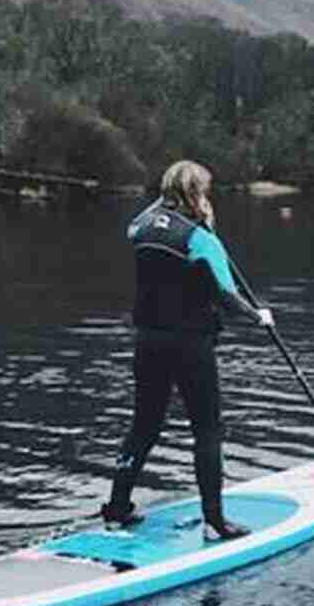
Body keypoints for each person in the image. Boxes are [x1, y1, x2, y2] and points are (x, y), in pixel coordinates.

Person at [102, 159, 274, 541]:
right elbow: (227, 295)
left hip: (147, 342)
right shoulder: (201, 240)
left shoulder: (139, 228)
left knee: (143, 426)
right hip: (190, 346)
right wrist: (259, 317)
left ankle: (117, 508)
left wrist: (169, 201)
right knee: (208, 431)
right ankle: (215, 521)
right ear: (198, 194)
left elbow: (152, 217)